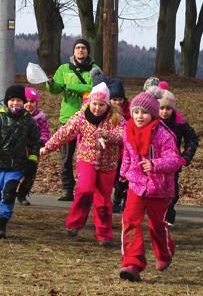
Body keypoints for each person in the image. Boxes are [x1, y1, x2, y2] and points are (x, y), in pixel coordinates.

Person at [41, 83, 124, 246]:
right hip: (87, 158)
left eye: (101, 105)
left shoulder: (116, 118)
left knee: (103, 201)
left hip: (108, 163)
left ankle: (104, 234)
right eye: (94, 104)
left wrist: (109, 135)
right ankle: (74, 223)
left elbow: (124, 135)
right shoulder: (81, 116)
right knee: (85, 189)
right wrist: (48, 147)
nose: (97, 108)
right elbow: (64, 133)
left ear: (107, 105)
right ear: (89, 102)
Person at [118, 90, 183, 282]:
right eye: (136, 112)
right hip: (136, 184)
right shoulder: (128, 130)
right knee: (130, 221)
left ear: (153, 114)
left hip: (159, 188)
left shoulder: (164, 135)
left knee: (156, 225)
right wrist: (123, 173)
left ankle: (164, 253)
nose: (139, 116)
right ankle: (132, 263)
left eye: (144, 113)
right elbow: (128, 156)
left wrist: (155, 164)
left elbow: (175, 160)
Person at [0, 85, 42, 239]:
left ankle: (1, 223)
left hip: (17, 165)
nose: (15, 103)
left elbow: (35, 142)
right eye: (12, 100)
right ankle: (3, 202)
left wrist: (32, 159)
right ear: (7, 102)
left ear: (24, 102)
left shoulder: (28, 121)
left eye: (19, 100)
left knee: (9, 193)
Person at [46, 39, 98, 201]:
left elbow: (96, 88)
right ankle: (67, 189)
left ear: (88, 51)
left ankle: (87, 188)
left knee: (89, 157)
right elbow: (56, 90)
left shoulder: (95, 70)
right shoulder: (63, 69)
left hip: (90, 118)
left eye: (83, 48)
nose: (80, 50)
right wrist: (51, 84)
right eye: (78, 48)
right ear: (73, 51)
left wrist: (69, 86)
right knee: (66, 157)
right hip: (68, 118)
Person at [158, 89, 199, 225]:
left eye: (168, 108)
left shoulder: (180, 123)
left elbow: (192, 139)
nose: (164, 112)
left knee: (172, 192)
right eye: (161, 108)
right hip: (154, 162)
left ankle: (168, 217)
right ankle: (157, 216)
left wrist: (186, 157)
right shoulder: (151, 121)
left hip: (173, 163)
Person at [17, 86, 50, 206]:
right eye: (26, 101)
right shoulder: (17, 115)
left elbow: (45, 132)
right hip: (18, 148)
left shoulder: (40, 117)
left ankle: (22, 194)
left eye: (32, 101)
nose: (28, 104)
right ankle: (10, 191)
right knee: (16, 171)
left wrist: (42, 141)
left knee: (30, 172)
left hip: (33, 149)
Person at [107, 80, 130, 213]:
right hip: (112, 151)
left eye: (120, 99)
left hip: (126, 151)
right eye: (114, 99)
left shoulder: (129, 111)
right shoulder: (107, 112)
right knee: (115, 178)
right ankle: (115, 201)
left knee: (124, 178)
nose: (117, 102)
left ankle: (122, 200)